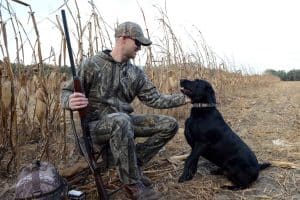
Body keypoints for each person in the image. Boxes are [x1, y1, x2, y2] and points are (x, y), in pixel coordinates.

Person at [61, 21, 190, 199]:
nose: (139, 48)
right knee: (121, 120)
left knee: (170, 124)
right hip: (96, 128)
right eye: (137, 43)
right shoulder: (92, 64)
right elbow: (67, 91)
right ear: (123, 39)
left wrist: (187, 98)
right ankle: (132, 186)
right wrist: (69, 100)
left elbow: (155, 99)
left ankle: (132, 166)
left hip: (124, 124)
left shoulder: (136, 73)